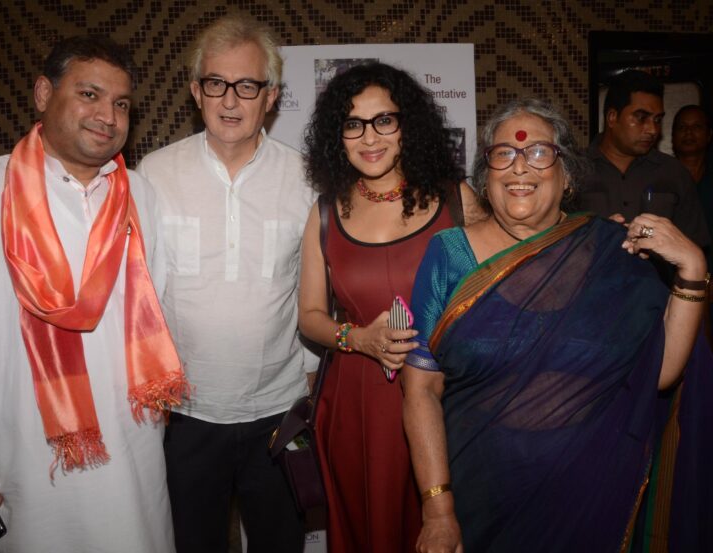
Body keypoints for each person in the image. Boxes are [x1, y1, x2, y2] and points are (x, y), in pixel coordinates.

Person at [402, 98, 713, 553]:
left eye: (539, 152)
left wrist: (692, 266)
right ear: (486, 175)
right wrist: (437, 509)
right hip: (480, 489)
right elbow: (420, 389)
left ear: (566, 173)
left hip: (588, 493)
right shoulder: (450, 255)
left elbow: (660, 372)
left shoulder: (612, 254)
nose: (519, 167)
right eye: (503, 153)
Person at [0, 36, 187, 553]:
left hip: (135, 456)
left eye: (121, 104)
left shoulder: (140, 194)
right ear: (42, 94)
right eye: (90, 94)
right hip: (27, 468)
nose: (108, 115)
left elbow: (159, 313)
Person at [136, 15, 315, 553]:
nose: (231, 100)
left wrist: (310, 377)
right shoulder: (154, 174)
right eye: (216, 83)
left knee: (281, 544)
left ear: (272, 96)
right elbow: (139, 292)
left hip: (279, 412)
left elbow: (314, 289)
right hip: (185, 416)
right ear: (196, 91)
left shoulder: (307, 178)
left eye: (247, 86)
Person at [298, 62, 482, 553]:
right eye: (353, 124)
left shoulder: (456, 201)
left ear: (408, 126)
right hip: (356, 404)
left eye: (385, 120)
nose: (369, 136)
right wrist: (356, 338)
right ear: (338, 136)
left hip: (447, 399)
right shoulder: (324, 213)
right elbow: (310, 316)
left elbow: (500, 287)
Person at [578, 70, 709, 283]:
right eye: (641, 118)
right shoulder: (573, 171)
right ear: (612, 117)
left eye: (657, 120)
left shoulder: (674, 174)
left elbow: (696, 250)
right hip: (588, 305)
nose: (652, 129)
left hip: (659, 306)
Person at [672, 104, 713, 269]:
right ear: (672, 135)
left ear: (709, 135)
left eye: (696, 126)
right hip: (671, 277)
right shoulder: (659, 178)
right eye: (682, 127)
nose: (688, 132)